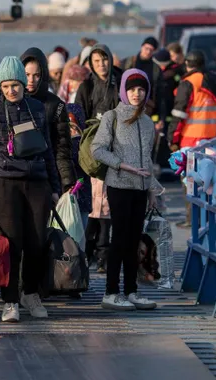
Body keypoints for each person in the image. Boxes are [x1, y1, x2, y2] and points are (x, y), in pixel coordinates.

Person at [0, 56, 61, 323]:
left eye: (16, 85)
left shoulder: (36, 108)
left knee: (35, 242)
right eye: (7, 85)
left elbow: (48, 150)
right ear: (1, 86)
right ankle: (10, 300)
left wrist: (55, 186)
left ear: (24, 84)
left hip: (36, 182)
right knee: (9, 245)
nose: (12, 90)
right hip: (3, 182)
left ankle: (30, 292)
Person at [92, 69, 158, 311]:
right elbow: (97, 149)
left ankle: (131, 291)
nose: (136, 93)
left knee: (133, 241)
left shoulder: (148, 122)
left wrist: (151, 189)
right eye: (131, 89)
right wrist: (122, 165)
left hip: (141, 189)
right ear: (123, 90)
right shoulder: (112, 117)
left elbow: (149, 159)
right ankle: (110, 292)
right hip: (119, 185)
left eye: (141, 89)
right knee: (118, 240)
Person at [74, 44, 122, 274]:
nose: (101, 65)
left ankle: (104, 254)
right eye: (96, 61)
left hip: (116, 149)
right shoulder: (87, 86)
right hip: (92, 150)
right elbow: (78, 116)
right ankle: (90, 250)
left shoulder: (120, 83)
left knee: (107, 205)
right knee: (93, 204)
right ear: (90, 64)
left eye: (104, 59)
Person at [21, 48, 75, 192]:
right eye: (27, 75)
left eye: (36, 75)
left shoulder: (56, 105)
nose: (31, 80)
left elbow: (62, 147)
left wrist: (67, 181)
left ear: (43, 75)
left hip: (45, 176)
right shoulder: (12, 103)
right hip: (17, 176)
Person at [168, 50, 216, 150]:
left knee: (188, 165)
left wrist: (172, 138)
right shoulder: (215, 81)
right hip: (212, 138)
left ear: (187, 64)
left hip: (189, 139)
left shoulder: (188, 83)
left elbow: (179, 114)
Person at [123, 37, 161, 116]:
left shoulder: (156, 69)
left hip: (147, 109)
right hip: (128, 106)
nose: (148, 52)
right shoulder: (128, 62)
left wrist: (161, 116)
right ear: (142, 47)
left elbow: (161, 94)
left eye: (151, 50)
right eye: (146, 48)